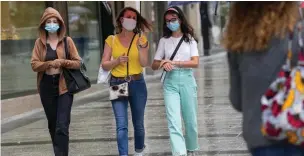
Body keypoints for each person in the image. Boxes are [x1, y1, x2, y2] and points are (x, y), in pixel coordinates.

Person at [223, 2, 304, 156]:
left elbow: (237, 101)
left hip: (261, 137)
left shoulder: (238, 43)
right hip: (299, 131)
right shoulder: (298, 33)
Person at [101, 7, 152, 156]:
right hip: (117, 84)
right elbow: (104, 64)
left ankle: (138, 151)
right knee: (121, 125)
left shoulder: (141, 39)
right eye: (128, 16)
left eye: (134, 18)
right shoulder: (111, 40)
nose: (131, 20)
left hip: (137, 83)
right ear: (121, 19)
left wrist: (142, 48)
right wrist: (116, 61)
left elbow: (143, 63)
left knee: (139, 124)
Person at [31, 7, 81, 156]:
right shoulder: (39, 43)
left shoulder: (67, 41)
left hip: (64, 85)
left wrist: (62, 62)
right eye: (49, 21)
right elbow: (34, 64)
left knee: (62, 125)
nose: (52, 24)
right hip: (46, 86)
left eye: (54, 21)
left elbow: (78, 62)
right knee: (53, 125)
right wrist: (48, 64)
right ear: (43, 24)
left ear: (60, 23)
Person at [151, 6, 200, 156]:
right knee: (174, 121)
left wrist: (176, 63)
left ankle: (192, 147)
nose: (170, 23)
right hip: (170, 83)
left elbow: (195, 62)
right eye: (167, 21)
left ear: (180, 20)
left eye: (173, 20)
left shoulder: (189, 39)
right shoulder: (164, 41)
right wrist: (163, 63)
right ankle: (179, 153)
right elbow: (154, 65)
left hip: (187, 80)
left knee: (190, 121)